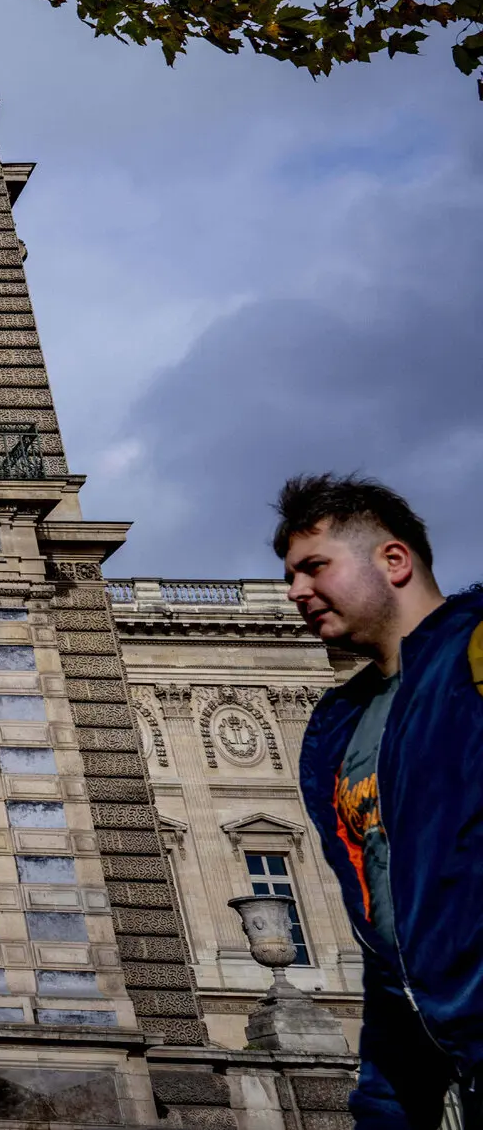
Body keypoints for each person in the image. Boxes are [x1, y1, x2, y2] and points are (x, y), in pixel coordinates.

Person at [279, 474, 483, 1126]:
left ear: (393, 560)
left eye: (315, 567)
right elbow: (391, 926)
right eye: (289, 575)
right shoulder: (346, 726)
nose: (296, 592)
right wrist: (385, 1102)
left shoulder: (473, 656)